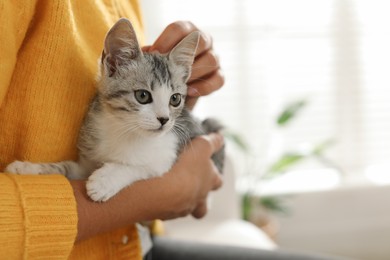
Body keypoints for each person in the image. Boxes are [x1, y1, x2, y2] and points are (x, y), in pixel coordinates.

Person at [0, 1, 343, 259]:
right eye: (145, 97)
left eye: (172, 102)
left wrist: (181, 99)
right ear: (113, 65)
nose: (166, 117)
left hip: (133, 243)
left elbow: (163, 118)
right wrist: (163, 193)